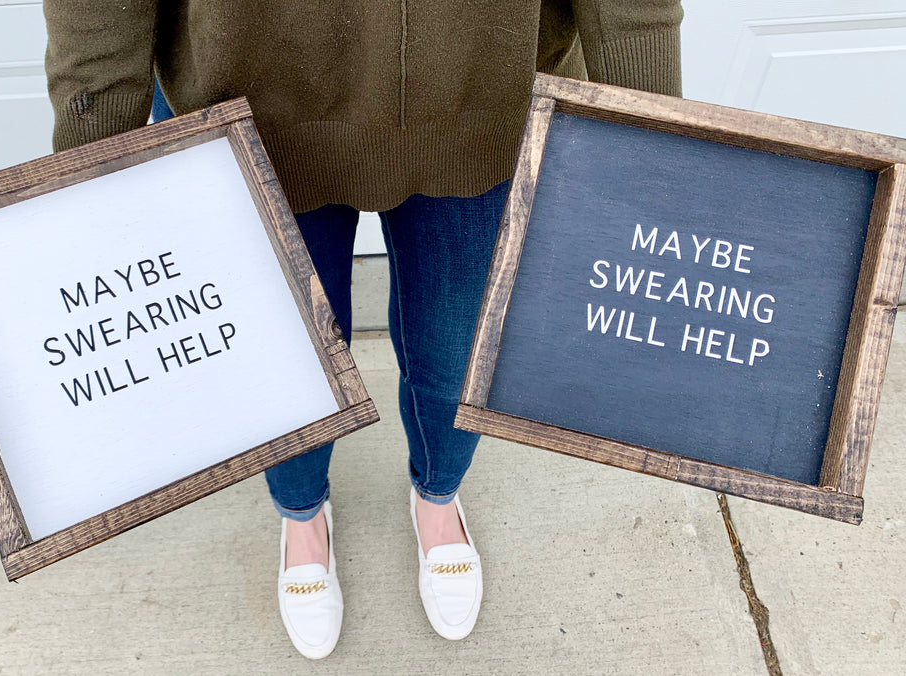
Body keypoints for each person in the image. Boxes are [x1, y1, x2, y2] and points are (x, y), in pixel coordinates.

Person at [43, 0, 683, 659]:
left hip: (481, 87)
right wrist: (95, 148)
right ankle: (302, 515)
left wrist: (653, 127)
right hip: (248, 91)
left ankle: (438, 497)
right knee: (285, 368)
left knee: (458, 352)